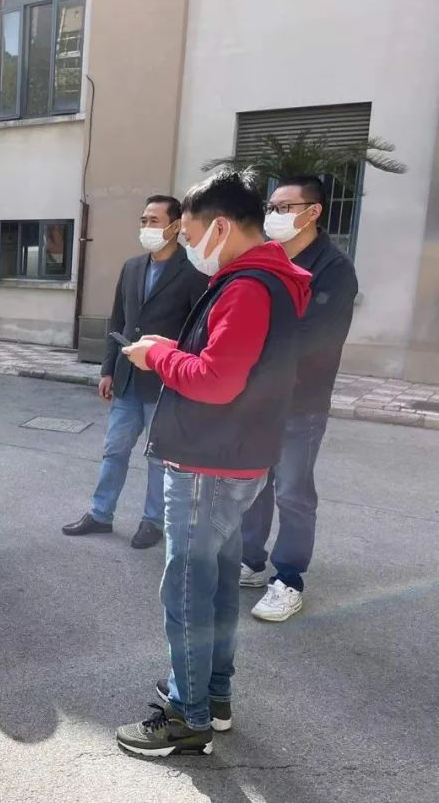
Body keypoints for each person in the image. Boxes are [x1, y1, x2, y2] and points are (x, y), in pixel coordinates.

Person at [113, 169, 311, 757]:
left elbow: (217, 380)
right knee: (217, 585)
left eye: (190, 231)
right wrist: (172, 350)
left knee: (187, 592)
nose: (187, 242)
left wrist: (158, 356)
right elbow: (233, 367)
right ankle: (212, 695)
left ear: (220, 227)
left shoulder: (247, 286)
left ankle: (187, 714)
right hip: (232, 458)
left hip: (208, 463)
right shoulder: (262, 279)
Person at [240, 176, 358, 621]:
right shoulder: (266, 257)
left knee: (292, 491)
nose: (274, 215)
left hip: (301, 401)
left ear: (313, 212)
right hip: (259, 398)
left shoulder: (334, 268)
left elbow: (316, 338)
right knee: (254, 485)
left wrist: (255, 353)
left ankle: (288, 579)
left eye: (285, 207)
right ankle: (250, 561)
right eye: (271, 207)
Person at [62, 195, 207, 548]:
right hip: (126, 381)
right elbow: (119, 321)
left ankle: (152, 521)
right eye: (143, 220)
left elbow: (198, 332)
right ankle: (100, 514)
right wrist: (108, 370)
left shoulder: (193, 272)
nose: (146, 227)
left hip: (164, 383)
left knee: (159, 458)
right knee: (114, 450)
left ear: (176, 226)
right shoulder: (132, 267)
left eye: (154, 221)